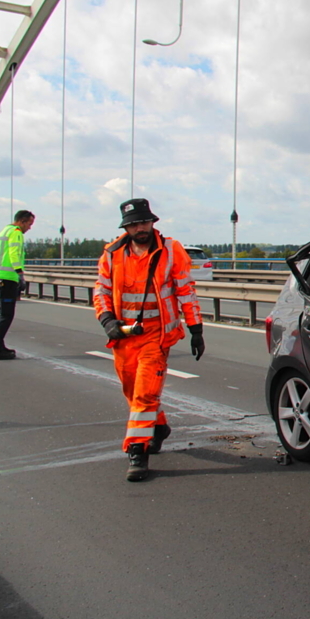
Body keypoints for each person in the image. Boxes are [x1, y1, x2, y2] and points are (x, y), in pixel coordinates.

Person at [94, 198, 205, 482]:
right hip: (124, 336)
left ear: (152, 222)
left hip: (157, 335)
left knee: (144, 394)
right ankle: (159, 427)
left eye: (143, 222)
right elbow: (101, 290)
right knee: (132, 392)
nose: (139, 228)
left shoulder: (171, 250)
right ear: (126, 228)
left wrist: (196, 328)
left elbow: (185, 290)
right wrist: (107, 320)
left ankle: (136, 452)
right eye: (133, 224)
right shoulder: (112, 253)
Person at [0, 211, 34, 360]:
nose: (29, 228)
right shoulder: (16, 233)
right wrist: (20, 274)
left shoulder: (4, 231)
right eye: (29, 224)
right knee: (6, 315)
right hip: (7, 278)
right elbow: (14, 253)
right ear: (21, 221)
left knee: (3, 314)